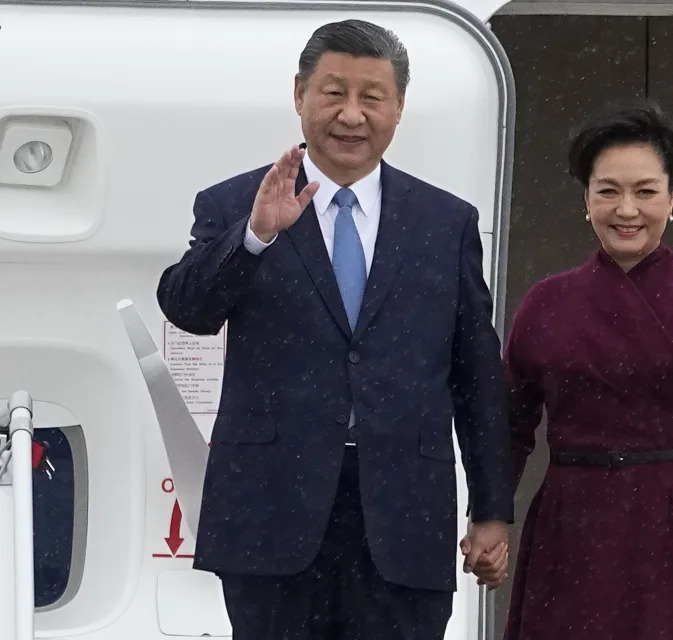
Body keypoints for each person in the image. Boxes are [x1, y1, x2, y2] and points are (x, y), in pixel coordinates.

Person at [156, 19, 513, 640]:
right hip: (272, 508)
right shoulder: (235, 203)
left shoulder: (445, 222)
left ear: (399, 106)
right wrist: (255, 237)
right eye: (333, 92)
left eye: (371, 97)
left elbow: (475, 374)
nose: (351, 115)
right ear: (299, 95)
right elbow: (188, 309)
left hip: (403, 512)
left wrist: (491, 509)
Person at [496, 103, 673, 639]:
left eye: (646, 191)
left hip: (672, 516)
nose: (626, 209)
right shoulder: (547, 301)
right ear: (586, 200)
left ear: (672, 201)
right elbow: (510, 423)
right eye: (608, 191)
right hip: (573, 516)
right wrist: (491, 516)